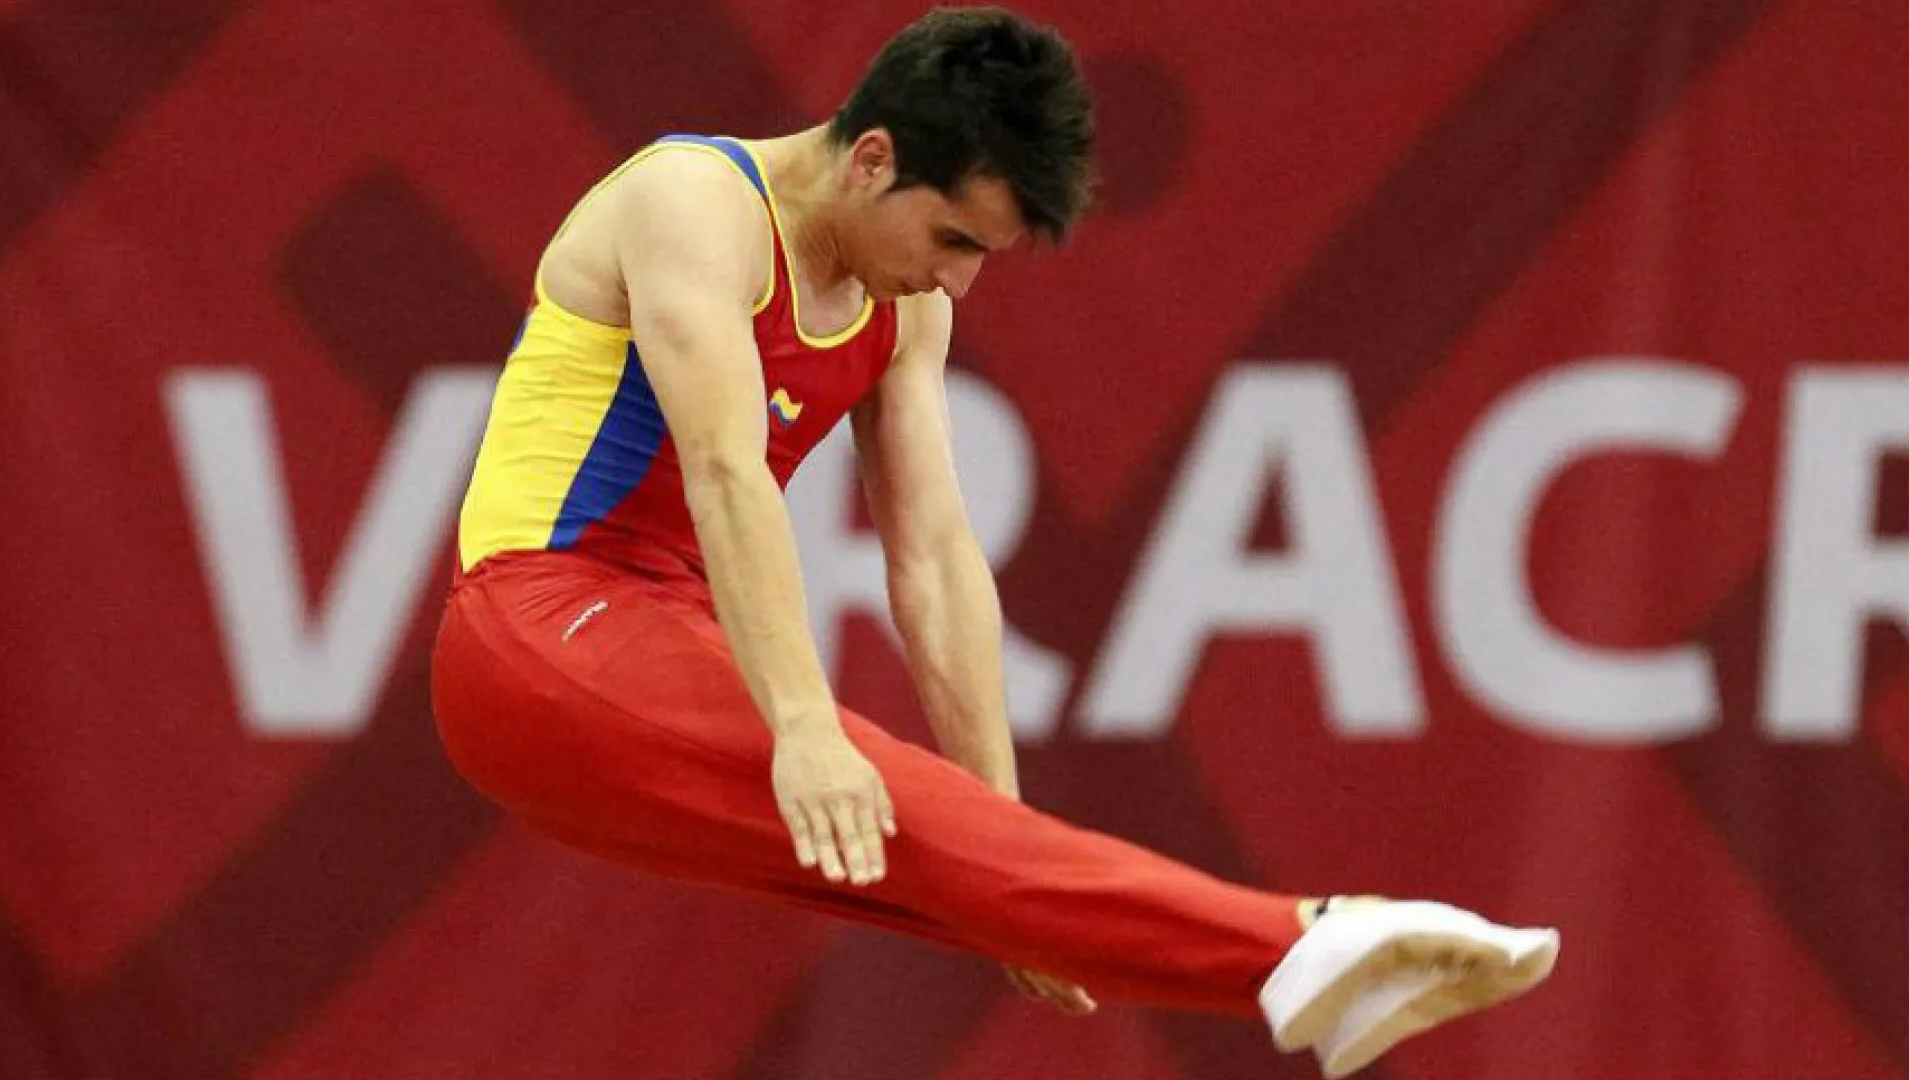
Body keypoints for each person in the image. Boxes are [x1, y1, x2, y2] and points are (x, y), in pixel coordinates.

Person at [430, 7, 1557, 1076]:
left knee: (913, 832)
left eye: (985, 255)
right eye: (952, 236)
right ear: (870, 158)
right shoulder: (690, 203)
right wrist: (804, 720)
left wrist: (1002, 862)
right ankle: (1306, 939)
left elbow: (931, 555)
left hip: (658, 640)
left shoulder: (906, 303)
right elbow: (727, 473)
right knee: (866, 787)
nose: (956, 279)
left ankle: (1313, 982)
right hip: (536, 630)